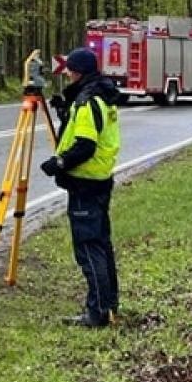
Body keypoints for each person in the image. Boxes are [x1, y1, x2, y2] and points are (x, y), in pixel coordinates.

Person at [39, 45, 123, 328]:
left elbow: (85, 145)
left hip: (85, 182)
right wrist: (66, 112)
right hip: (100, 179)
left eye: (71, 72)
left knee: (88, 247)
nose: (69, 76)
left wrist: (59, 163)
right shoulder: (102, 95)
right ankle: (109, 304)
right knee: (101, 244)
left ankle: (97, 312)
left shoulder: (87, 101)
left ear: (77, 72)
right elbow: (90, 131)